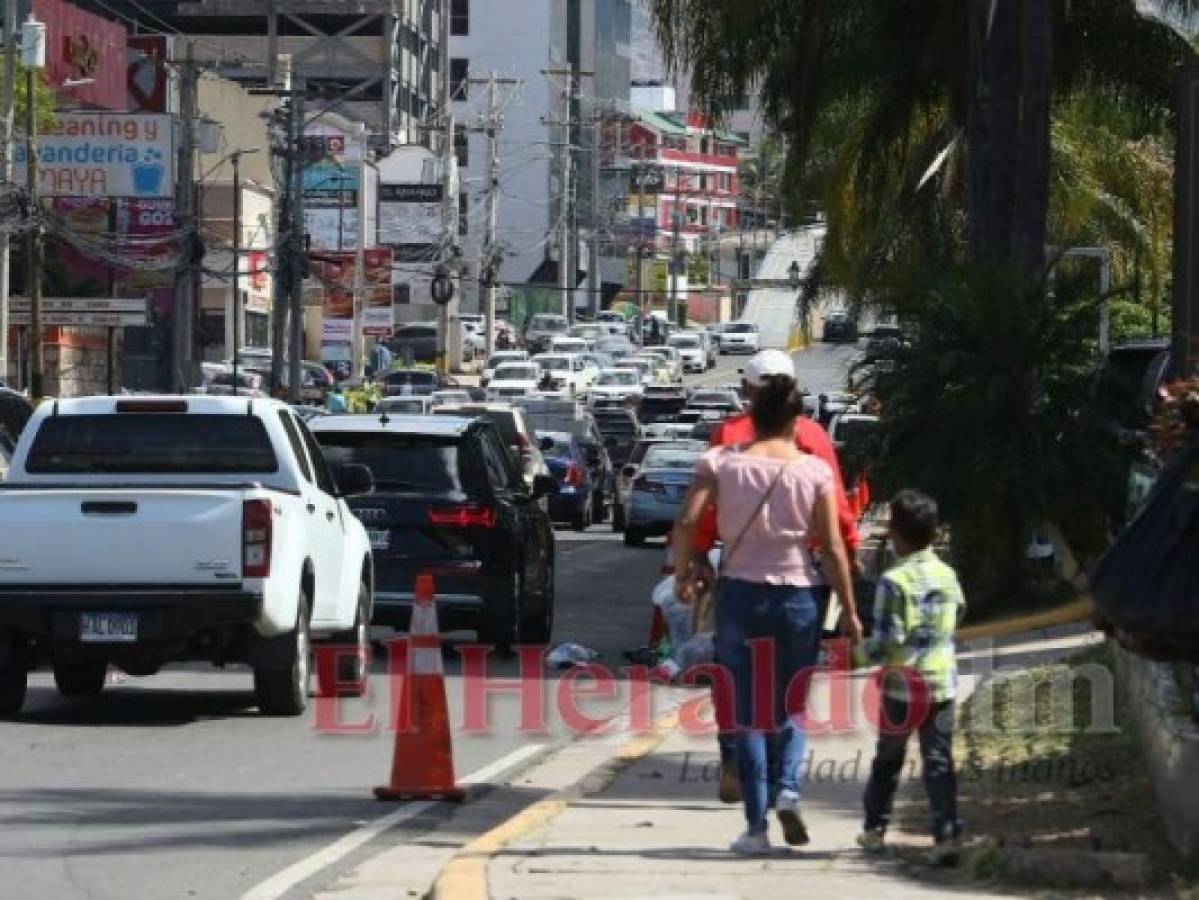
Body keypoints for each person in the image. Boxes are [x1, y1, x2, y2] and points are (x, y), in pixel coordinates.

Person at [673, 363, 862, 857]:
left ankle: (755, 830)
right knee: (792, 705)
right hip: (799, 596)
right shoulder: (815, 469)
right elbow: (833, 548)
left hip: (739, 596)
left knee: (749, 714)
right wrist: (850, 609)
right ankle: (789, 792)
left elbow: (688, 520)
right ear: (795, 422)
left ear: (751, 415)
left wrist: (685, 571)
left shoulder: (721, 463)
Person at [857, 490, 965, 863]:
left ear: (896, 535)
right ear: (934, 534)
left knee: (889, 758)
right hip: (942, 683)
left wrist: (856, 654)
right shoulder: (947, 575)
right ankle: (947, 835)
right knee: (939, 760)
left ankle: (874, 830)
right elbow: (959, 615)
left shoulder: (893, 581)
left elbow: (888, 640)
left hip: (903, 688)